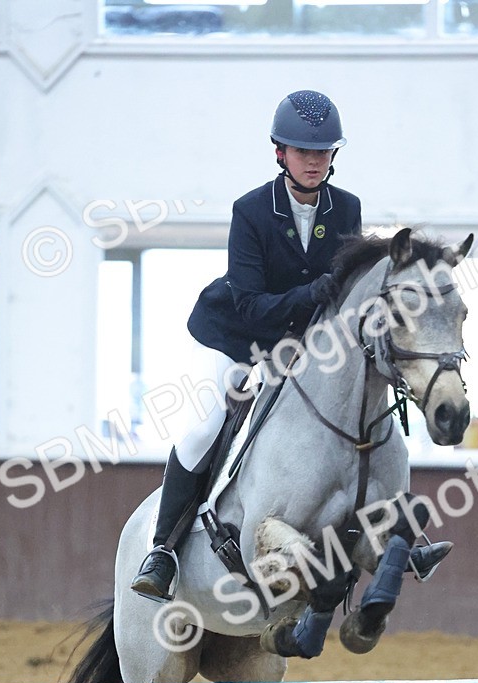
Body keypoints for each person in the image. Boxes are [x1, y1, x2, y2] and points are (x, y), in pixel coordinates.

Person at [132, 89, 449, 601]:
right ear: (280, 152)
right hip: (234, 337)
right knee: (201, 428)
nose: (313, 162)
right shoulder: (252, 211)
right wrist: (311, 294)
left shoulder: (346, 207)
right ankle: (163, 551)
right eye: (303, 152)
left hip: (304, 343)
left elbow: (345, 298)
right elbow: (251, 304)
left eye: (322, 153)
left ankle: (389, 537)